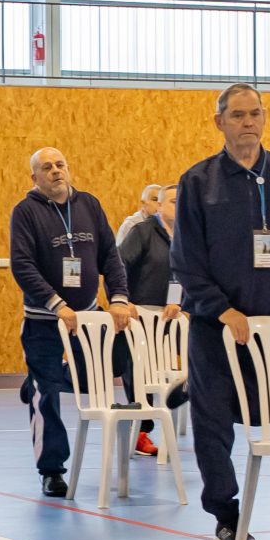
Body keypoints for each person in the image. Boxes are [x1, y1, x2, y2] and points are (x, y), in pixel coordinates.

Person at [170, 84, 270, 540]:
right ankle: (226, 514)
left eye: (255, 113)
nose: (248, 122)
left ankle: (191, 390)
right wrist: (222, 309)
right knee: (214, 423)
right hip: (215, 327)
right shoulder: (198, 182)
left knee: (262, 417)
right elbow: (185, 260)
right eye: (237, 115)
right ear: (219, 121)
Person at [8, 147, 131, 496]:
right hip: (44, 320)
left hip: (89, 317)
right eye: (46, 167)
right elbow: (23, 265)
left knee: (100, 377)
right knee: (47, 395)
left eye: (60, 164)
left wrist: (119, 298)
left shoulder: (89, 204)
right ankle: (52, 469)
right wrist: (57, 305)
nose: (55, 171)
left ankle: (37, 379)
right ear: (35, 177)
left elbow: (110, 253)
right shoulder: (26, 212)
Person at [114, 184, 187, 456]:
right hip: (139, 316)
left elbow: (194, 276)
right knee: (139, 371)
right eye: (172, 202)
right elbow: (118, 265)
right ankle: (140, 430)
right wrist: (123, 300)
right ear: (159, 206)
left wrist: (182, 305)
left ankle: (189, 390)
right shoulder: (142, 232)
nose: (178, 207)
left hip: (172, 316)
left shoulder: (189, 237)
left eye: (183, 202)